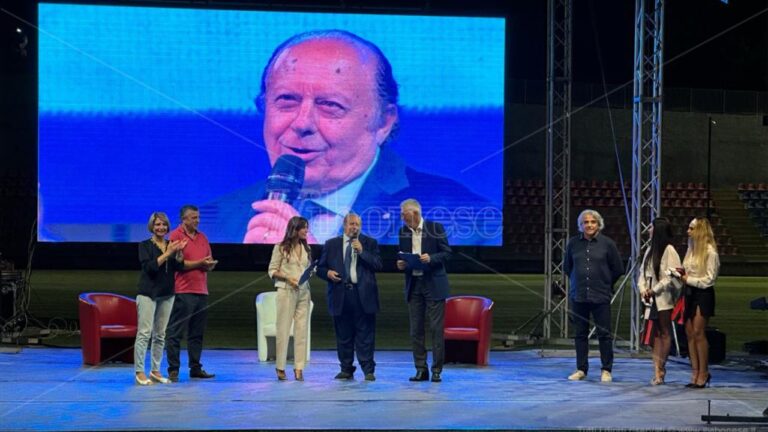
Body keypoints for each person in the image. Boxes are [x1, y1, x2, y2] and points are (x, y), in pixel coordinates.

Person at [200, 29, 500, 246]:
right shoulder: (213, 220)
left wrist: (310, 262)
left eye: (330, 105)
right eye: (287, 101)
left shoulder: (469, 222)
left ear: (384, 122)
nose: (302, 123)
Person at [317, 213, 383, 381]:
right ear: (344, 226)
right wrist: (328, 273)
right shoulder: (331, 244)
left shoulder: (369, 243)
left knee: (365, 336)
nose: (355, 227)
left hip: (363, 296)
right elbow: (320, 268)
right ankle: (346, 369)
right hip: (341, 294)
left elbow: (378, 265)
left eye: (358, 225)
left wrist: (362, 252)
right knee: (344, 335)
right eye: (352, 224)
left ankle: (368, 370)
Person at [564, 209, 624, 383]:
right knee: (580, 334)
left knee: (604, 334)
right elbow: (568, 267)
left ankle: (606, 369)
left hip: (601, 296)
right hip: (579, 295)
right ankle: (581, 369)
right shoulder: (573, 244)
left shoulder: (608, 244)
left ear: (599, 224)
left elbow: (618, 268)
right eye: (585, 222)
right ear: (580, 225)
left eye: (593, 222)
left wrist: (606, 283)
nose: (589, 225)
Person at [396, 198, 452, 383]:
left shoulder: (435, 228)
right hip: (414, 284)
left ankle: (437, 370)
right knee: (416, 330)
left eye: (404, 215)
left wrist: (432, 258)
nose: (402, 218)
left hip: (433, 283)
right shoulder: (403, 232)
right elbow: (403, 255)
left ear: (415, 213)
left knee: (436, 329)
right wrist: (402, 263)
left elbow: (446, 253)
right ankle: (421, 369)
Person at [166, 205, 218, 382]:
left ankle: (195, 367)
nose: (197, 220)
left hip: (201, 290)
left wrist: (209, 265)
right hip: (183, 290)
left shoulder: (203, 237)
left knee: (197, 333)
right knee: (176, 331)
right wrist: (200, 263)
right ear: (184, 219)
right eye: (194, 217)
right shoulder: (176, 236)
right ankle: (173, 369)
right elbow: (178, 264)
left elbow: (207, 260)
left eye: (198, 217)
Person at [134, 212, 187, 385]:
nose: (161, 228)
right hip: (148, 293)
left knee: (160, 335)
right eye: (157, 224)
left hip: (167, 293)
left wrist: (179, 253)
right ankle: (139, 371)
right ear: (152, 226)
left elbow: (178, 267)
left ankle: (155, 370)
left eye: (164, 225)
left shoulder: (170, 244)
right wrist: (168, 253)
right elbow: (150, 268)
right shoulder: (144, 245)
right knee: (144, 333)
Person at [267, 216, 313, 381]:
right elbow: (272, 270)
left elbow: (305, 268)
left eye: (307, 228)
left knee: (301, 331)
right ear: (294, 229)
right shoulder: (280, 248)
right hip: (286, 290)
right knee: (284, 329)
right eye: (304, 228)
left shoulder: (306, 248)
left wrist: (310, 272)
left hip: (303, 291)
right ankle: (280, 367)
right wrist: (287, 278)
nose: (306, 231)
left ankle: (299, 368)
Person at [637, 217, 682, 385]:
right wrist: (643, 290)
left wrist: (654, 290)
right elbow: (642, 273)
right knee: (654, 333)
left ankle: (661, 368)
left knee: (664, 332)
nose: (648, 230)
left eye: (651, 227)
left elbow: (672, 276)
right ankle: (656, 368)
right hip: (650, 299)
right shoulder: (649, 250)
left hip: (662, 298)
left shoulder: (669, 250)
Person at [680, 217, 720, 389]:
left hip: (703, 293)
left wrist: (689, 279)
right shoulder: (690, 248)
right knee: (689, 334)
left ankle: (704, 372)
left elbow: (710, 279)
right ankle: (695, 371)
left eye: (691, 228)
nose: (688, 231)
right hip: (689, 292)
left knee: (698, 332)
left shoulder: (711, 252)